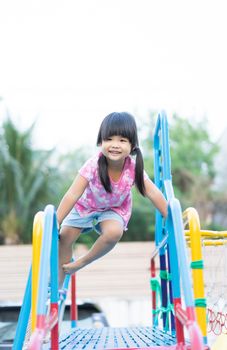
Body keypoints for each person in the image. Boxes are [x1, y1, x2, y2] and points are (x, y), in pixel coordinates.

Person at [57, 112, 167, 286]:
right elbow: (72, 194)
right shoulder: (93, 164)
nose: (115, 145)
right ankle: (58, 284)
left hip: (114, 209)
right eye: (109, 139)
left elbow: (152, 192)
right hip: (85, 206)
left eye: (122, 140)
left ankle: (82, 262)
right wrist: (57, 219)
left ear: (132, 145)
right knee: (64, 237)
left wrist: (170, 215)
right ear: (101, 142)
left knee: (115, 232)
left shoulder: (132, 168)